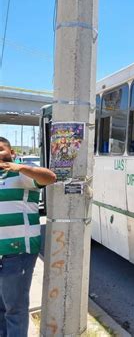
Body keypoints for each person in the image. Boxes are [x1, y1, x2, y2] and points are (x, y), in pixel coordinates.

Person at [0, 137, 56, 337]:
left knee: (14, 310)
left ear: (12, 152)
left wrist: (19, 167)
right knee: (2, 309)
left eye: (0, 149)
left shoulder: (21, 173)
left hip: (17, 253)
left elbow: (49, 177)